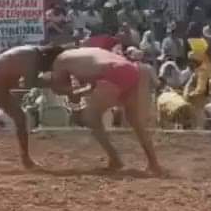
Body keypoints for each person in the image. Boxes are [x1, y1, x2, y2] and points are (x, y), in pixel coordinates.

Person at [49, 46, 164, 175]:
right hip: (131, 69)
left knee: (91, 117)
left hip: (113, 72)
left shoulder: (59, 60)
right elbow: (92, 82)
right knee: (135, 121)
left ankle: (115, 159)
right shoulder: (83, 53)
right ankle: (154, 163)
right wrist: (84, 90)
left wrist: (72, 91)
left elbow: (59, 88)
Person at [0, 44, 67, 169]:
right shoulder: (32, 56)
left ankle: (25, 160)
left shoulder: (33, 54)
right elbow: (29, 83)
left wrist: (52, 82)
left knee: (20, 118)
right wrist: (53, 82)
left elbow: (25, 82)